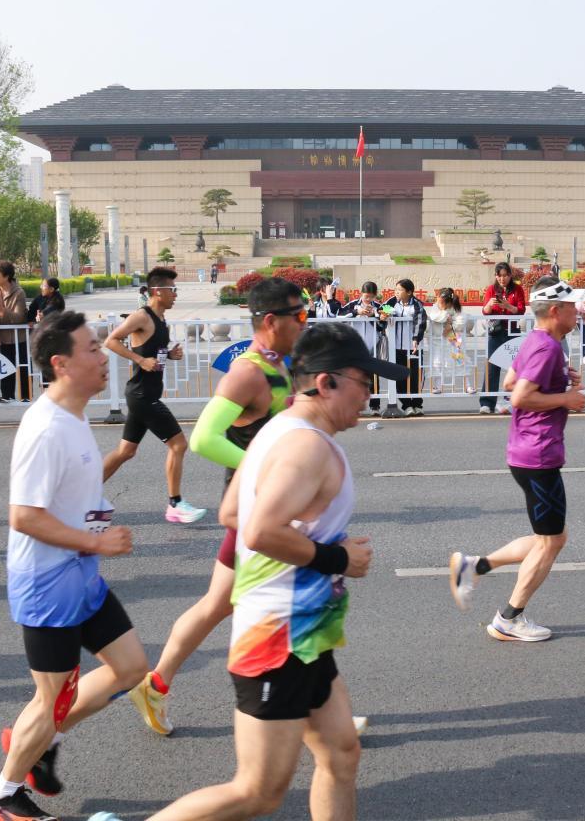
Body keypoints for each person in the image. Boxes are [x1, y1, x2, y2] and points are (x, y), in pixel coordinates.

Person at [140, 321, 404, 821]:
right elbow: (258, 530)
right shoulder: (307, 447)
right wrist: (337, 558)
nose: (370, 396)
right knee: (257, 792)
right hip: (276, 637)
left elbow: (231, 514)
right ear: (325, 383)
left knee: (342, 754)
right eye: (363, 383)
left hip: (305, 629)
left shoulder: (278, 429)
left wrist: (314, 545)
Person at [0, 311, 147, 821]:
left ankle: (38, 742)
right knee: (51, 698)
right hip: (47, 581)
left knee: (132, 668)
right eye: (92, 348)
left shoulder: (75, 413)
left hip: (79, 573)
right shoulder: (45, 428)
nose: (102, 355)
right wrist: (97, 543)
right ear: (61, 363)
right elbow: (24, 517)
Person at [129, 277, 306, 736]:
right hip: (255, 507)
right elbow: (206, 438)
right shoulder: (248, 371)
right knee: (288, 605)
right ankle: (317, 711)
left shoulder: (280, 362)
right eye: (299, 315)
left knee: (220, 603)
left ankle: (156, 683)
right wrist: (262, 468)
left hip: (264, 504)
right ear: (270, 321)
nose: (305, 321)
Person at [449, 279, 585, 642]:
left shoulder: (537, 342)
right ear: (555, 311)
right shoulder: (546, 348)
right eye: (572, 306)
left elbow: (511, 380)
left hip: (527, 452)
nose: (578, 312)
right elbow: (522, 397)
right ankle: (508, 618)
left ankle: (475, 566)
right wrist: (565, 399)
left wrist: (559, 382)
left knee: (552, 537)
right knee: (551, 541)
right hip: (538, 453)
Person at [102, 267, 207, 523]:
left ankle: (81, 494)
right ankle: (175, 504)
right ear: (158, 291)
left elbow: (153, 353)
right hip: (142, 395)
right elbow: (111, 340)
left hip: (144, 393)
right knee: (179, 444)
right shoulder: (142, 317)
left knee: (126, 451)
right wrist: (139, 359)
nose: (175, 295)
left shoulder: (160, 320)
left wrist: (169, 355)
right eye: (172, 290)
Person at [479, 261, 527, 414]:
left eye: (505, 276)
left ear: (510, 275)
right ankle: (487, 402)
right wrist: (490, 304)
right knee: (492, 366)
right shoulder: (491, 289)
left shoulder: (517, 289)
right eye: (499, 276)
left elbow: (521, 310)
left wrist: (507, 306)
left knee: (514, 367)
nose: (502, 279)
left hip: (512, 332)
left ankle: (512, 399)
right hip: (496, 332)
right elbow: (485, 311)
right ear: (496, 276)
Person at [337, 281, 386, 414]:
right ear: (361, 294)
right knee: (353, 377)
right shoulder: (353, 304)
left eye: (371, 297)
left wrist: (375, 316)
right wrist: (356, 312)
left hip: (373, 347)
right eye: (366, 296)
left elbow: (385, 324)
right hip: (354, 347)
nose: (369, 299)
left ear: (375, 296)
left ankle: (375, 406)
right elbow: (339, 316)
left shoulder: (379, 306)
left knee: (373, 376)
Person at [0, 261, 31, 403]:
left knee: (23, 364)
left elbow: (19, 317)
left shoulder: (19, 292)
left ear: (6, 276)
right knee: (6, 364)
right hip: (4, 336)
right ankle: (7, 394)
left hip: (20, 336)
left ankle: (26, 395)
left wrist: (2, 309)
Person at [383, 278, 428, 416]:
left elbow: (420, 322)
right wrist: (384, 315)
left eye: (400, 290)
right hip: (396, 347)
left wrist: (416, 339)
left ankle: (417, 404)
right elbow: (382, 310)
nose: (396, 292)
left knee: (415, 376)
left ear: (409, 292)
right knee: (400, 376)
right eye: (395, 290)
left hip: (412, 346)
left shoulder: (417, 305)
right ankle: (406, 405)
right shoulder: (392, 302)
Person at [426, 288, 470, 394]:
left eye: (441, 302)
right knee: (437, 362)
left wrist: (450, 326)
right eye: (438, 300)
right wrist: (446, 316)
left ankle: (468, 385)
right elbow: (434, 317)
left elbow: (461, 322)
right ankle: (437, 386)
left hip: (454, 339)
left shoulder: (457, 308)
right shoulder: (435, 307)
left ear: (448, 302)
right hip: (438, 340)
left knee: (460, 360)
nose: (439, 303)